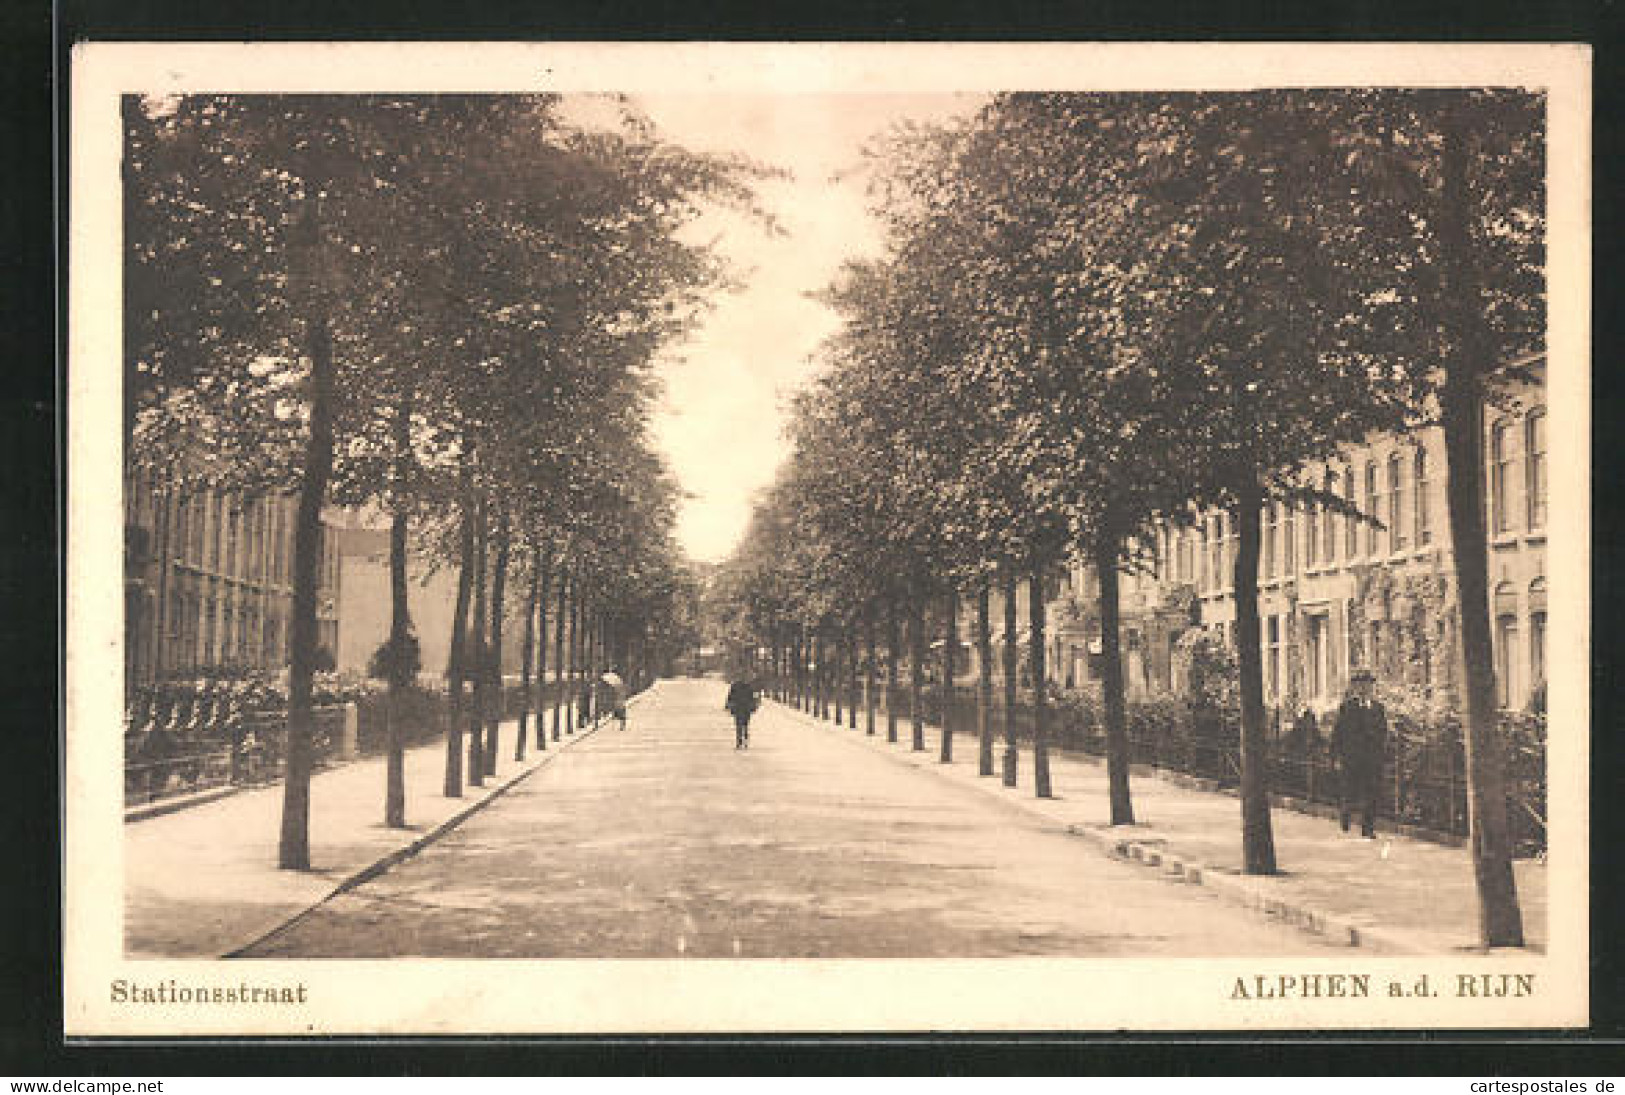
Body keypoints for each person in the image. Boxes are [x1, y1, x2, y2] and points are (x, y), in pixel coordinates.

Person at [1332, 667, 1388, 838]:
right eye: (1360, 685)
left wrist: (1381, 753)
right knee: (1350, 791)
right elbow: (1338, 732)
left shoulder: (1378, 708)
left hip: (1372, 759)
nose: (1364, 689)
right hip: (1351, 758)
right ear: (1355, 688)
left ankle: (1368, 828)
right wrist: (1336, 756)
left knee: (1372, 792)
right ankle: (1345, 811)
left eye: (1367, 685)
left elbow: (1383, 732)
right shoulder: (1347, 707)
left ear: (1372, 687)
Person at [725, 677, 759, 749]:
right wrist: (754, 706)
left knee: (739, 725)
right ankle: (743, 739)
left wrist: (728, 705)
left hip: (739, 708)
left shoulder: (735, 685)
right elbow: (754, 698)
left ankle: (740, 741)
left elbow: (730, 697)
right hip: (745, 708)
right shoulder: (749, 686)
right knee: (745, 724)